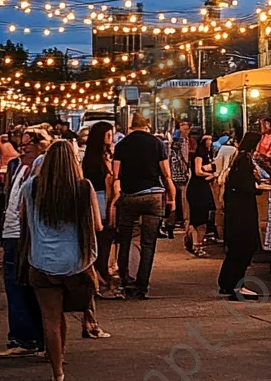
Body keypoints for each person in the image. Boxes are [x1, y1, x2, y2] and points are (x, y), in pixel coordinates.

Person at [20, 139, 102, 381]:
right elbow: (98, 225)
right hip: (76, 263)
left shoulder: (31, 187)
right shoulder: (83, 187)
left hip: (42, 262)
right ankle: (63, 355)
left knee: (51, 318)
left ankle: (57, 373)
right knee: (65, 312)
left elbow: (22, 219)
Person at [0, 129, 49, 358]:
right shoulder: (17, 166)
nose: (23, 147)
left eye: (28, 144)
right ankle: (26, 336)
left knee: (21, 286)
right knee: (16, 285)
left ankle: (26, 337)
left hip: (24, 233)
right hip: (12, 232)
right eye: (22, 143)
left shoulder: (39, 168)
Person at [113, 113, 176, 300]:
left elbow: (116, 174)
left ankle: (125, 280)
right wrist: (171, 198)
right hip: (153, 196)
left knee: (124, 240)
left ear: (132, 126)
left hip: (129, 195)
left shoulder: (122, 145)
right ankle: (142, 285)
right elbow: (166, 174)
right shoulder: (157, 143)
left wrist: (114, 198)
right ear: (147, 126)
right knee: (148, 243)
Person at [80, 120, 116, 333]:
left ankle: (103, 276)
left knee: (106, 240)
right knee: (101, 239)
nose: (111, 138)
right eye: (108, 135)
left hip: (105, 199)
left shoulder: (104, 157)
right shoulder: (93, 160)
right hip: (100, 200)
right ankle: (101, 277)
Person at [218, 132, 263, 300]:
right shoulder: (245, 160)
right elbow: (245, 185)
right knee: (245, 246)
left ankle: (226, 283)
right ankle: (238, 285)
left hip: (234, 211)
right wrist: (257, 185)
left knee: (235, 248)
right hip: (242, 212)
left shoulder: (238, 158)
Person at [185, 134, 217, 258]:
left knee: (199, 219)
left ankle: (193, 241)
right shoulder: (199, 154)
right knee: (199, 220)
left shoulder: (208, 154)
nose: (210, 142)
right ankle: (197, 245)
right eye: (208, 139)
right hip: (197, 190)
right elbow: (197, 171)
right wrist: (211, 175)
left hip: (201, 189)